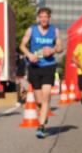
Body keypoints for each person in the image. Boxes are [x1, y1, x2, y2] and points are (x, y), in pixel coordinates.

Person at [19, 7, 62, 139]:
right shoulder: (31, 29)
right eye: (41, 16)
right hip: (34, 66)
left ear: (49, 18)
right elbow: (22, 45)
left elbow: (60, 47)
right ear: (38, 18)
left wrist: (53, 50)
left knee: (46, 95)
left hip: (49, 66)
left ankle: (41, 126)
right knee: (38, 100)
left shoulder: (54, 31)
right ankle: (43, 113)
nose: (43, 19)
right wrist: (29, 54)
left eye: (46, 17)